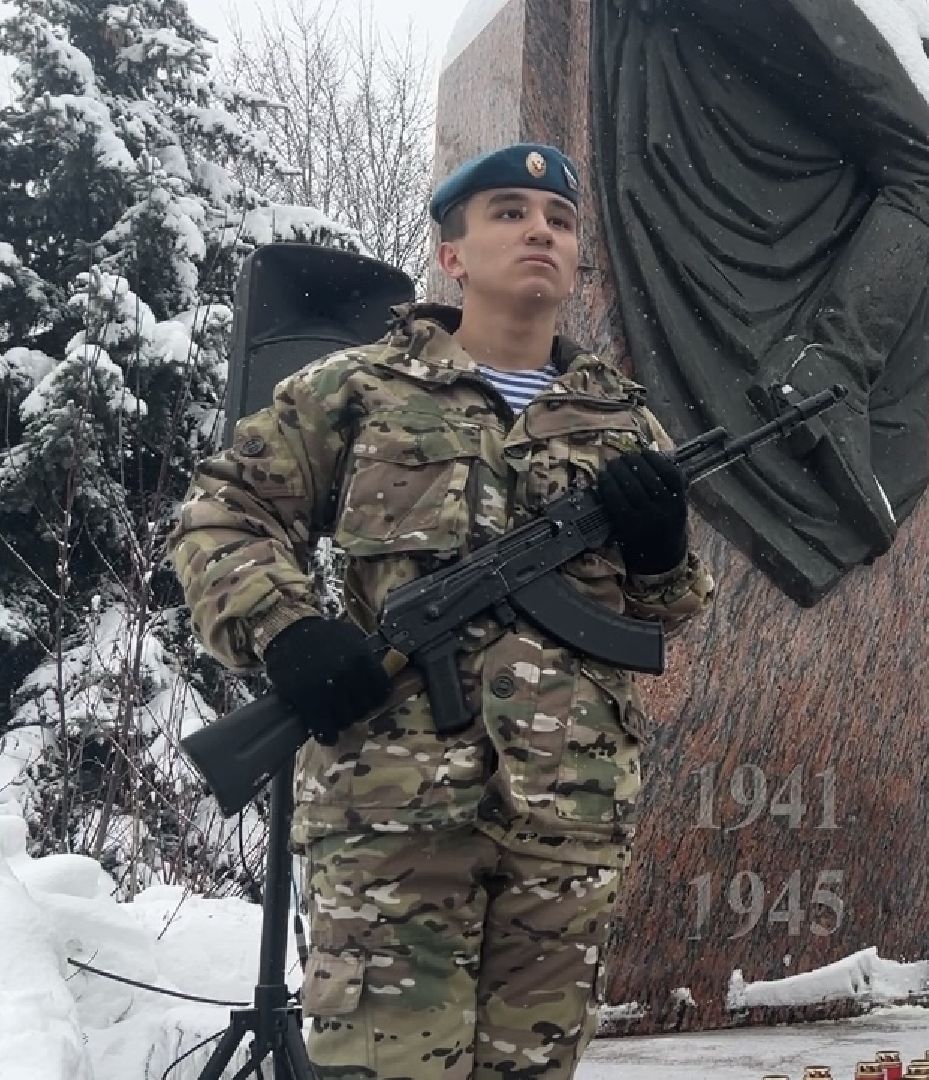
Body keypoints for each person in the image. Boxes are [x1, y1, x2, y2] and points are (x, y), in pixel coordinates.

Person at [168, 142, 715, 1078]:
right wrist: (289, 628)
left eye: (560, 220)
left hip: (568, 827)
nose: (540, 229)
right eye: (508, 212)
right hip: (392, 819)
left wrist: (662, 549)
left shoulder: (623, 425)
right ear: (451, 255)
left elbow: (659, 615)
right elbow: (223, 512)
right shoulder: (357, 390)